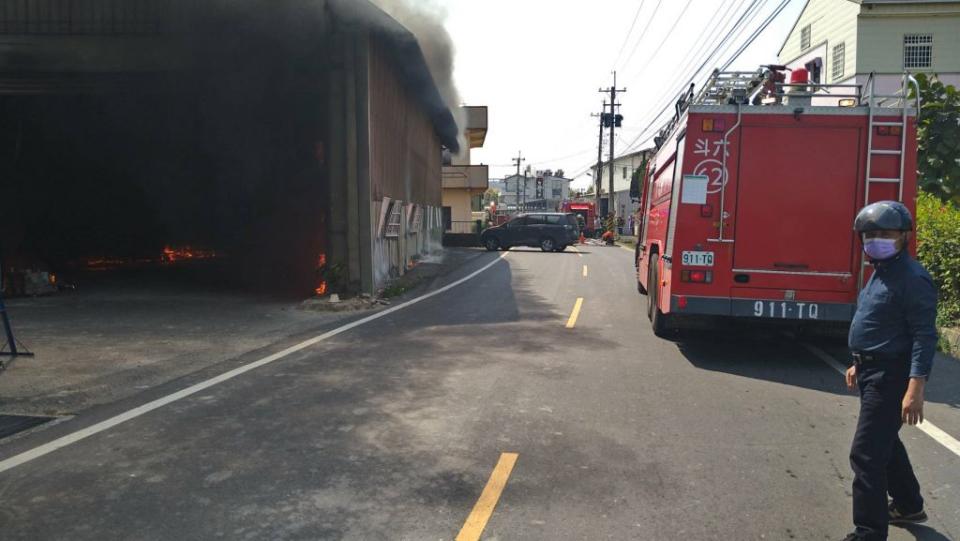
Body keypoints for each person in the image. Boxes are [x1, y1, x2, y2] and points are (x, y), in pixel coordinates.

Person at [842, 201, 938, 541]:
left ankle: (868, 532)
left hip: (891, 376)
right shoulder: (881, 271)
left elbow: (924, 336)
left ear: (904, 237)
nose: (876, 240)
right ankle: (910, 503)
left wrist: (915, 388)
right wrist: (858, 361)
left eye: (885, 234)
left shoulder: (913, 278)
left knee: (866, 454)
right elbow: (881, 324)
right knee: (885, 441)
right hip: (871, 371)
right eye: (870, 234)